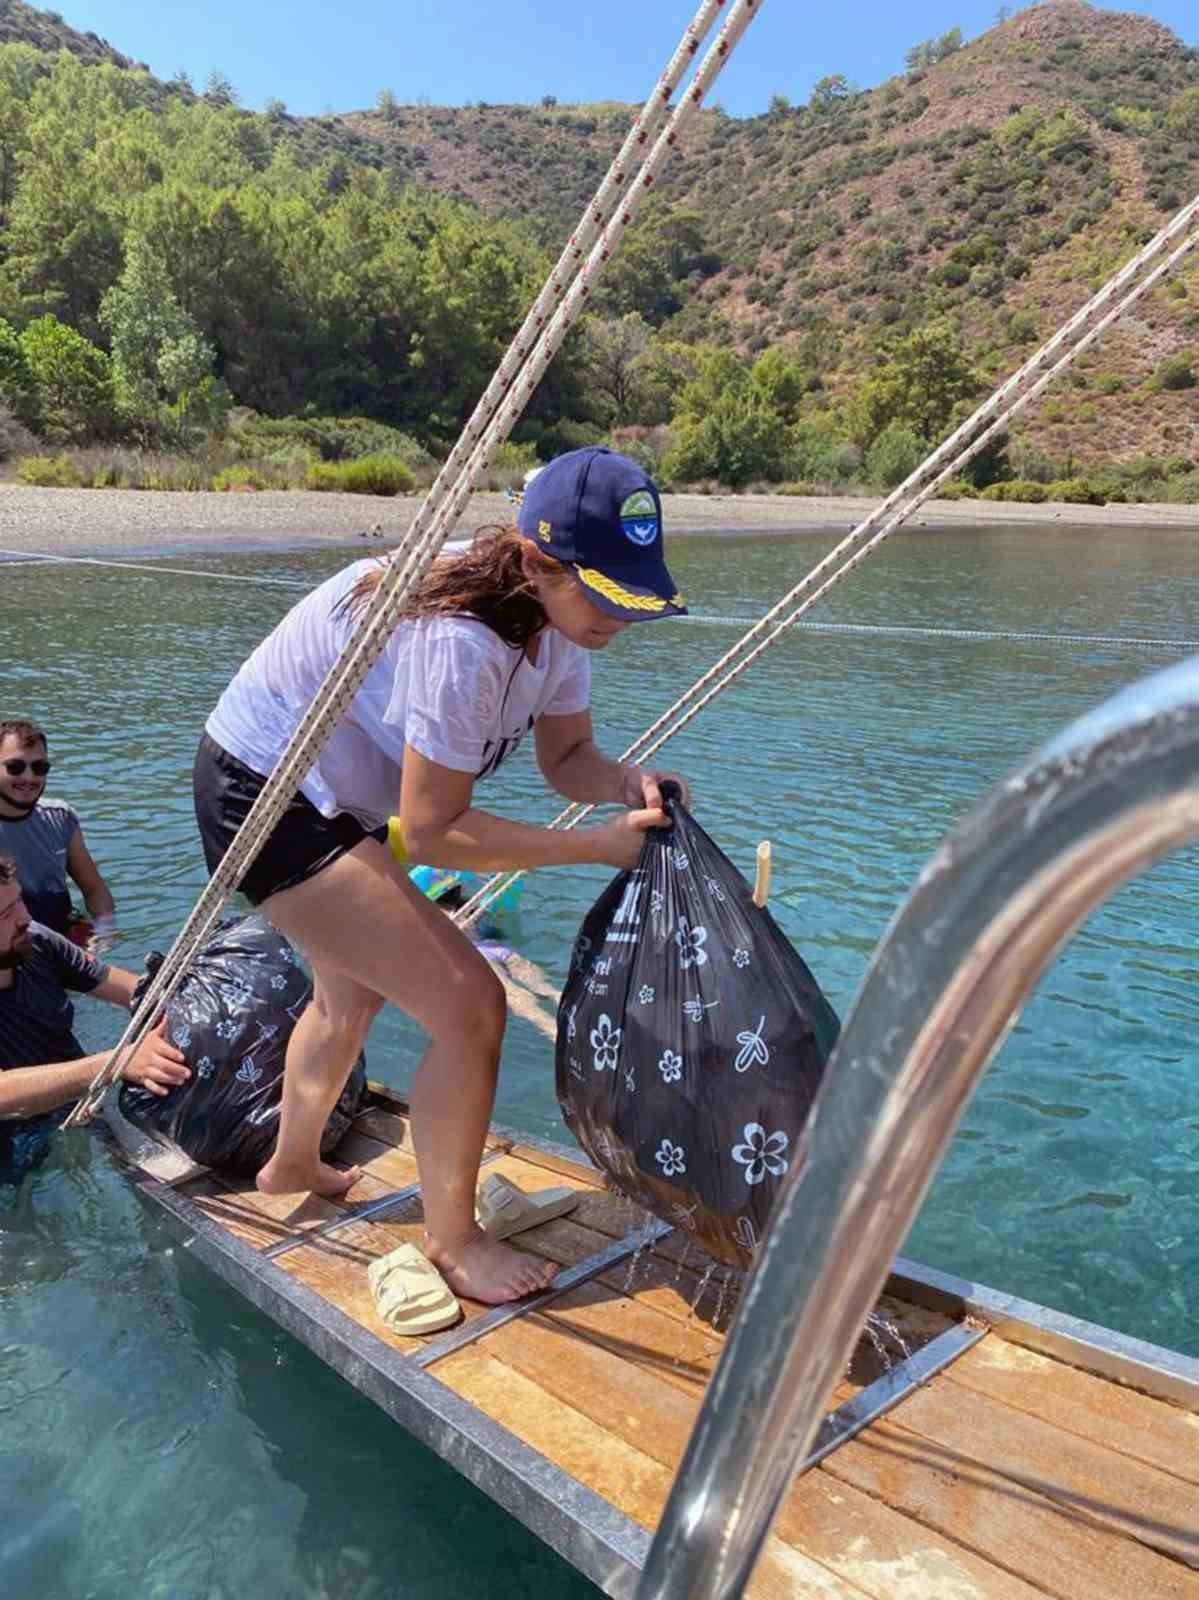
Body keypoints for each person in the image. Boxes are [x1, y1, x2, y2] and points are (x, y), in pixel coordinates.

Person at [194, 445, 691, 1305]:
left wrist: (623, 784)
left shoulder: (556, 621)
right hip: (267, 790)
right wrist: (595, 846)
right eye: (607, 594)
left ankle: (290, 1164)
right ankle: (453, 1242)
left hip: (334, 794)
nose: (620, 617)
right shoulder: (462, 640)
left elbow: (566, 755)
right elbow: (428, 834)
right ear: (539, 563)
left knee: (347, 996)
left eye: (633, 594)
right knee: (471, 1004)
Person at [0, 854, 189, 1187]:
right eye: (5, 913)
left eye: (19, 901)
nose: (24, 917)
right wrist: (114, 1063)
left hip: (77, 1110)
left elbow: (137, 993)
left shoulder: (37, 941)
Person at [0, 718, 116, 946]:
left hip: (60, 937)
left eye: (39, 767)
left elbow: (95, 890)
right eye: (15, 767)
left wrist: (104, 937)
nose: (29, 777)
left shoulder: (61, 818)